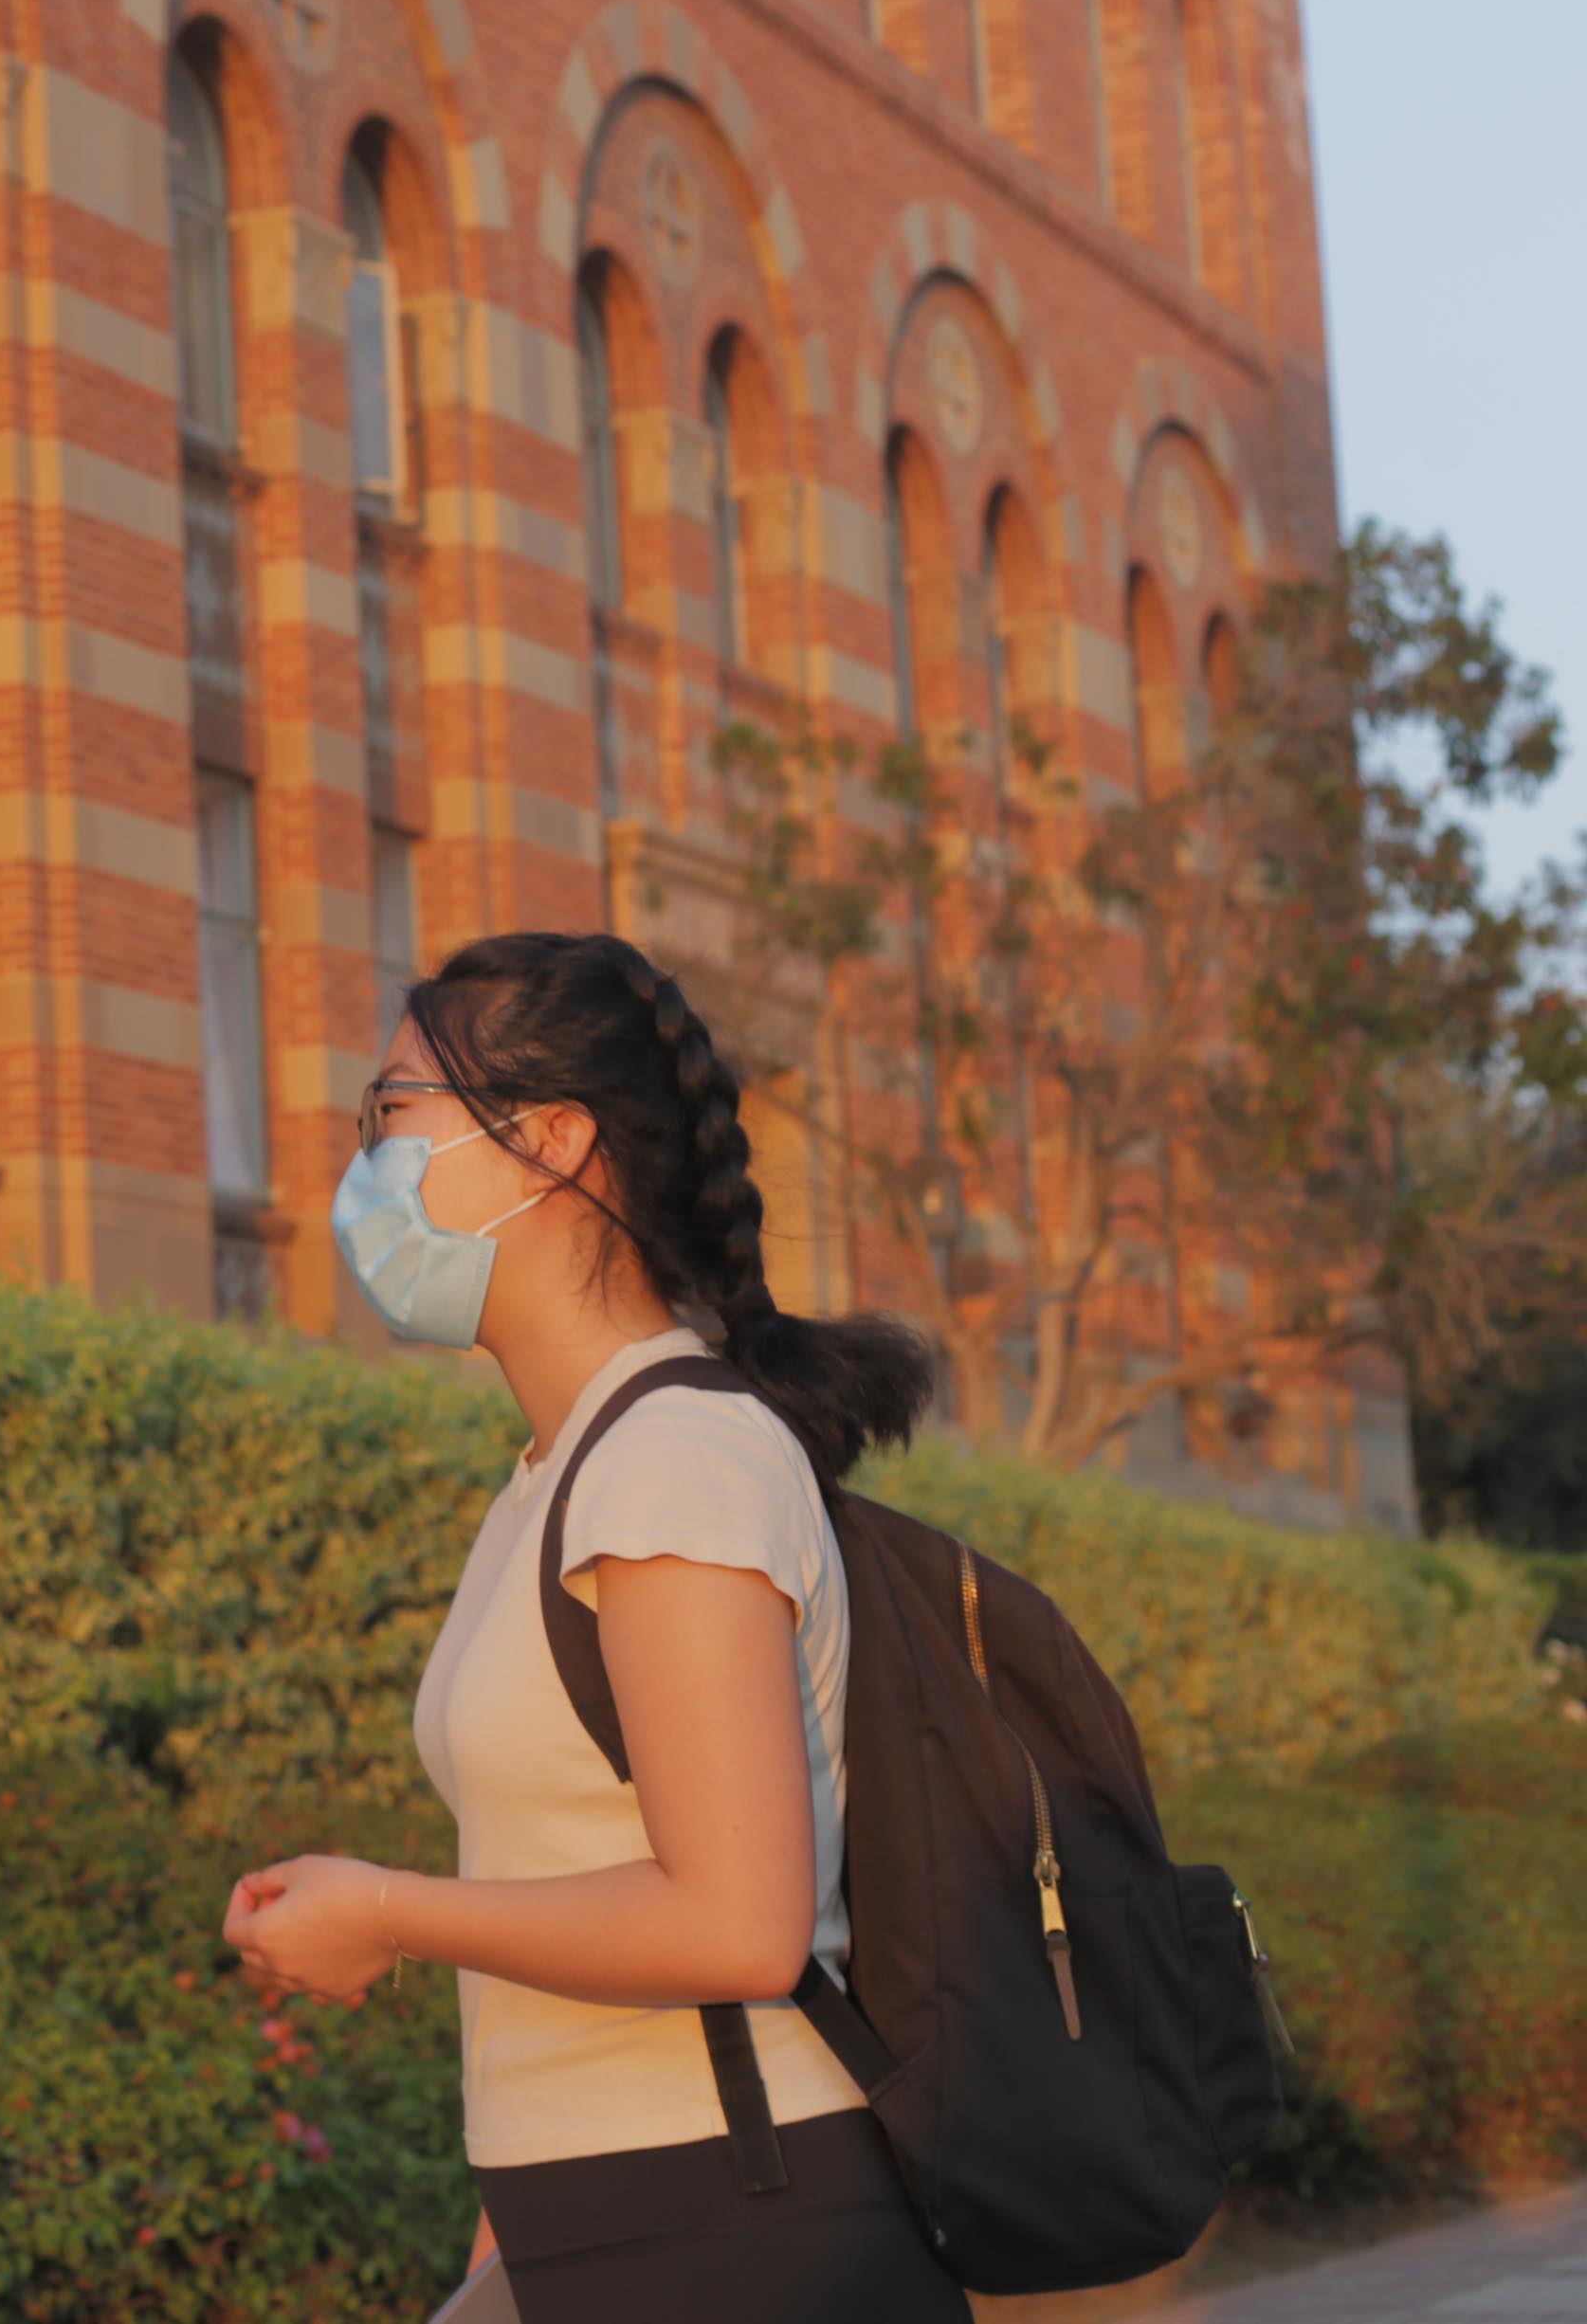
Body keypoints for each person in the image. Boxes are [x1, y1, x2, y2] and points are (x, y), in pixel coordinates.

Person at [220, 935, 958, 2323]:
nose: (367, 1165)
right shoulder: (563, 1471)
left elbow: (735, 1919)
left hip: (740, 2234)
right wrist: (507, 2239)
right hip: (600, 2224)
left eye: (395, 1114)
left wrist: (386, 1913)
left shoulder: (676, 1456)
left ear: (552, 1142)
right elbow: (566, 1859)